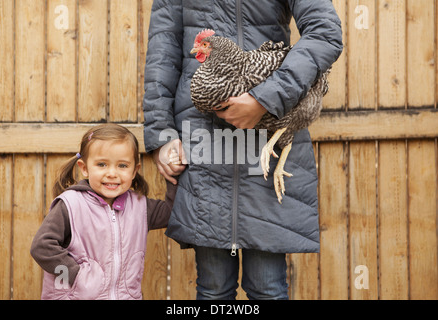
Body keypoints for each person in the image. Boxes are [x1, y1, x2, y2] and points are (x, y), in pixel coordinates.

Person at [143, 0, 343, 299]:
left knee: (268, 288)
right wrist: (161, 134)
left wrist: (265, 98)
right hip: (204, 140)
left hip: (271, 132)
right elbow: (164, 52)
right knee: (213, 289)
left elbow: (325, 32)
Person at [30, 123, 179, 300]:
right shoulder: (71, 204)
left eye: (122, 166)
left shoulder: (140, 207)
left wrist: (173, 175)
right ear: (84, 168)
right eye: (102, 164)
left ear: (134, 171)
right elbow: (42, 247)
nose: (112, 173)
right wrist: (75, 275)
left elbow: (173, 213)